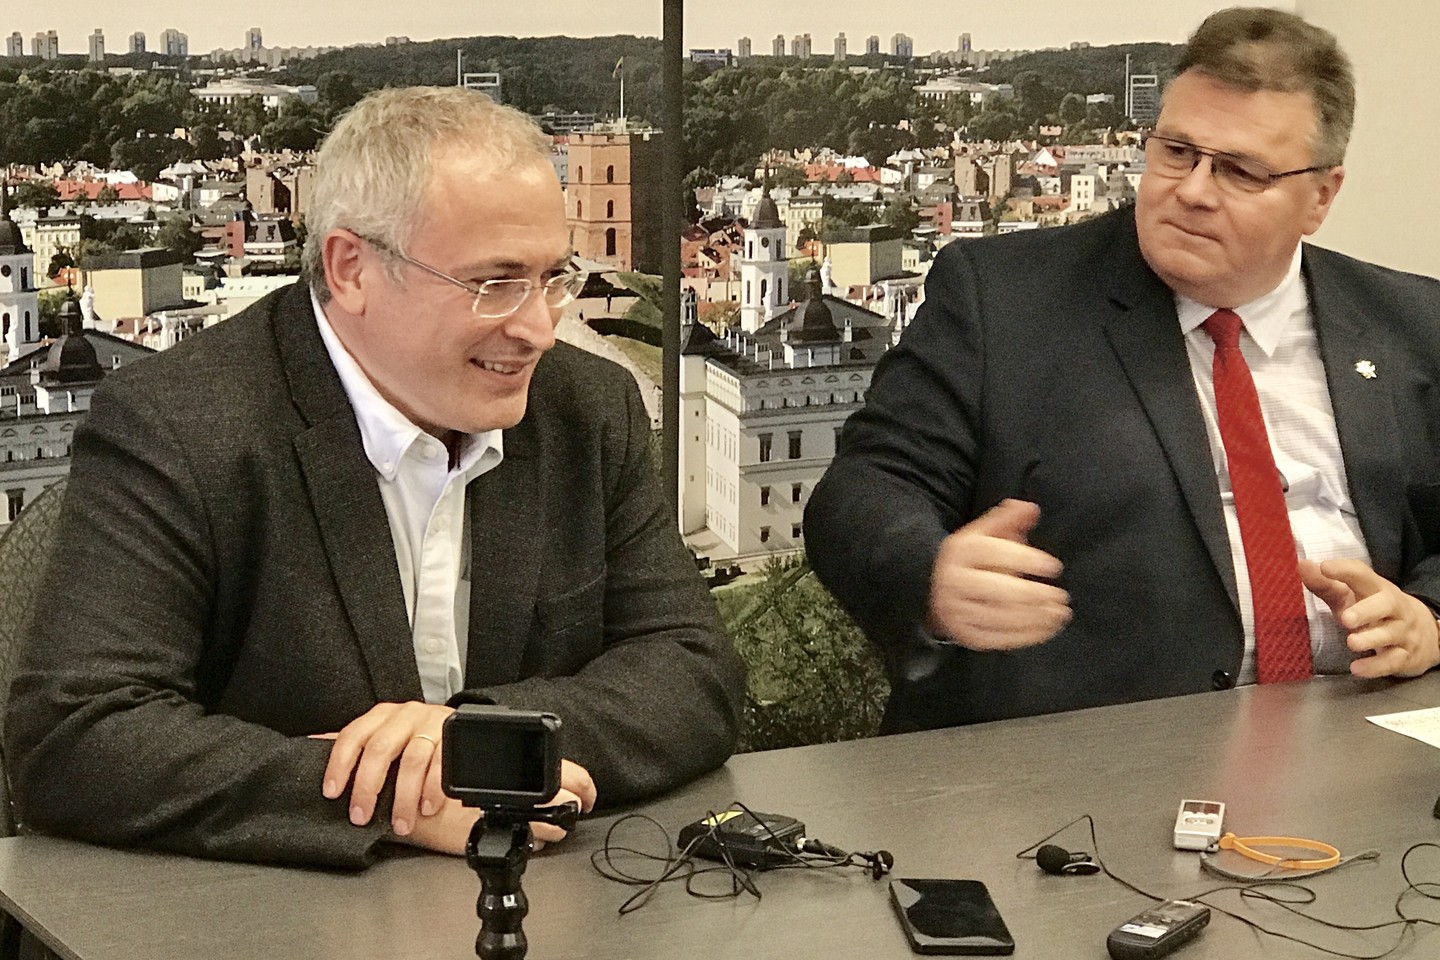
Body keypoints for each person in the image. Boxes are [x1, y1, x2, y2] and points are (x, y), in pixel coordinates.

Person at [5, 86, 744, 868]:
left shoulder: (588, 408)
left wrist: (475, 739)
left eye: (552, 278)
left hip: (550, 903)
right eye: (494, 284)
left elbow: (694, 672)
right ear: (352, 269)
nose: (538, 327)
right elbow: (75, 737)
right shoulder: (178, 424)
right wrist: (396, 794)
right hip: (267, 914)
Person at [805, 8, 1440, 734]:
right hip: (1085, 759)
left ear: (1321, 196)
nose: (1193, 190)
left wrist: (1429, 617)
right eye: (1177, 151)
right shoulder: (1002, 299)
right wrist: (927, 573)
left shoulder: (1414, 325)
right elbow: (867, 486)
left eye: (1240, 171)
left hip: (1367, 739)